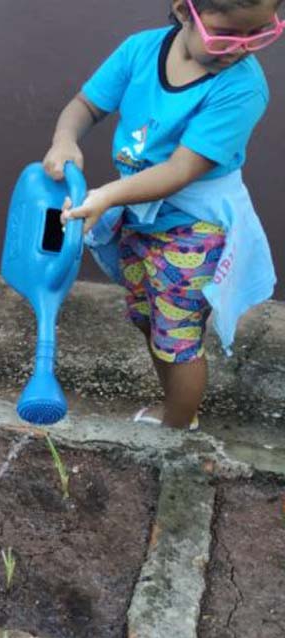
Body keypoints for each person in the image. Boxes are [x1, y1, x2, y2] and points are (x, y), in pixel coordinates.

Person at [43, 0, 282, 429]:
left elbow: (180, 170)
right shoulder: (140, 50)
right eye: (225, 35)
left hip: (196, 229)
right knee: (148, 319)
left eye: (260, 34)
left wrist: (107, 196)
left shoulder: (241, 88)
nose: (241, 48)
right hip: (140, 216)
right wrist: (65, 139)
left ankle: (177, 429)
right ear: (183, 9)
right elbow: (86, 105)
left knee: (179, 338)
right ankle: (176, 409)